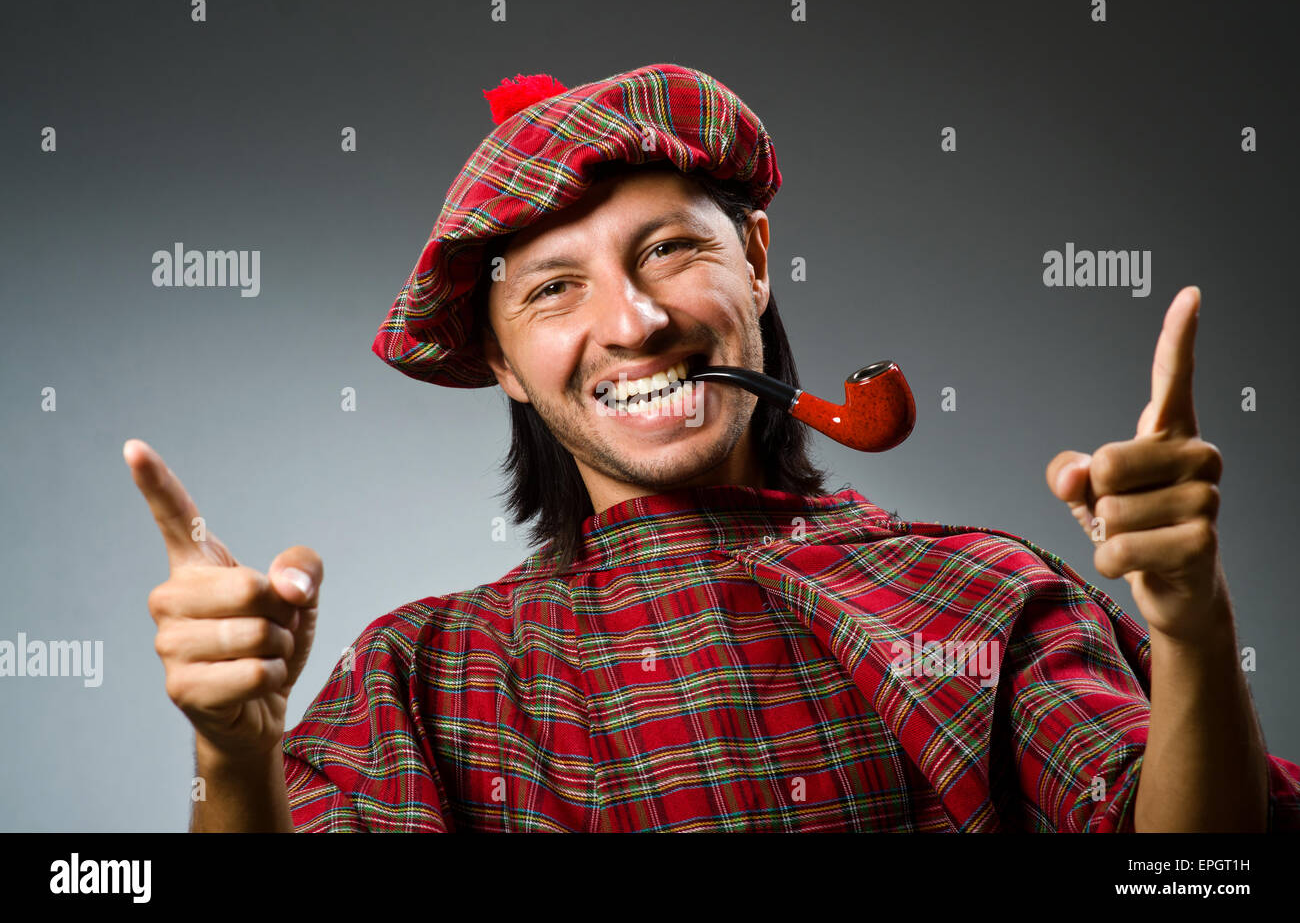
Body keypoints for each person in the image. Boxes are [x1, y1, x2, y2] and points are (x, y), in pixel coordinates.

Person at [125, 62, 1300, 832]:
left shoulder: (984, 595)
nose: (632, 323)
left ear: (755, 258)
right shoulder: (423, 674)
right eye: (550, 289)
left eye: (668, 252)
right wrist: (234, 764)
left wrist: (1192, 623)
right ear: (500, 367)